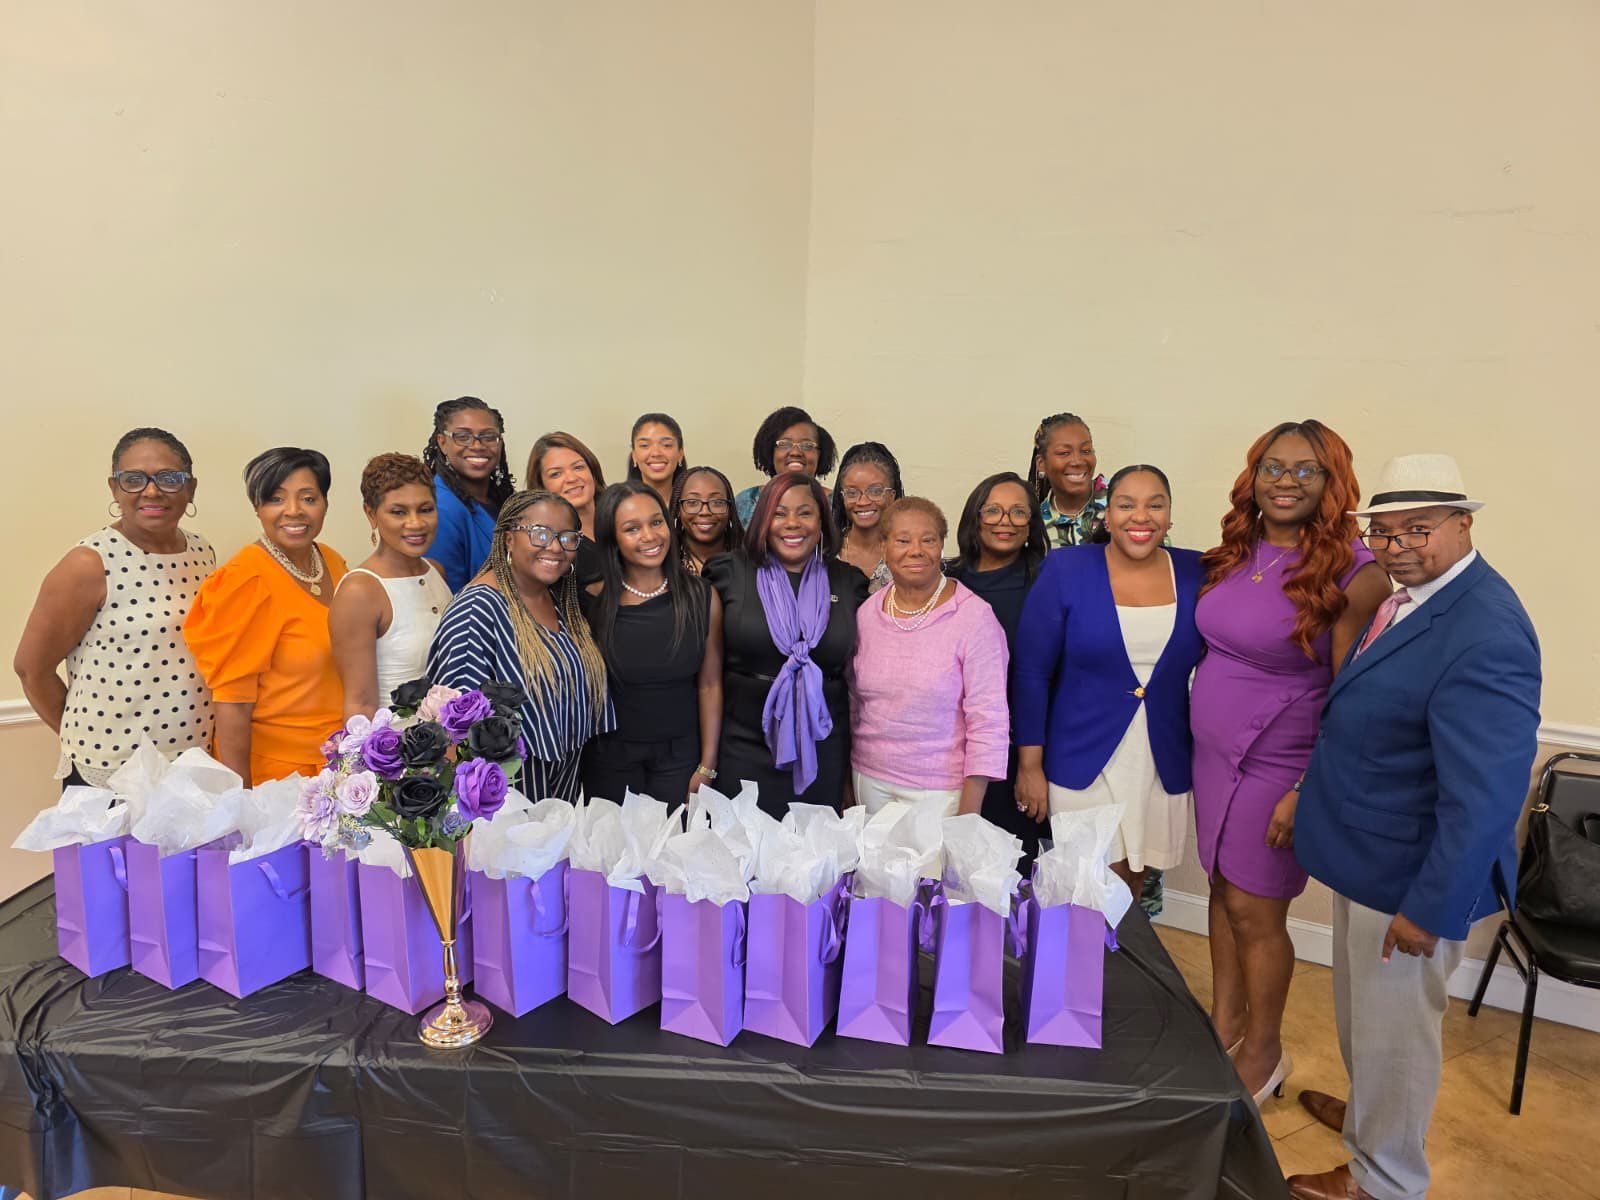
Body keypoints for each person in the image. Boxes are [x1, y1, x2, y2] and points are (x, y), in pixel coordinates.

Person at [1285, 454, 1540, 1200]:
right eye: (1385, 532)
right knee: (1368, 1021)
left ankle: (1383, 1178)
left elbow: (1485, 796)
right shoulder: (1413, 600)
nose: (1397, 546)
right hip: (1371, 855)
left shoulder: (1485, 628)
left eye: (1419, 529)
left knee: (1397, 1036)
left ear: (1464, 525)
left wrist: (1430, 907)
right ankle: (1372, 1120)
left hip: (1411, 877)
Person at [1191, 421, 1390, 1107]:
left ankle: (1265, 1051)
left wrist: (1307, 787)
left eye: (1307, 470)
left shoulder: (1354, 573)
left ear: (1332, 482)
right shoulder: (1237, 552)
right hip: (1215, 759)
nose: (1286, 481)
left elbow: (1352, 696)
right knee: (1220, 890)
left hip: (1283, 761)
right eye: (1274, 467)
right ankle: (1224, 1027)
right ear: (1254, 476)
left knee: (1257, 908)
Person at [1014, 465, 1204, 896]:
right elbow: (1031, 671)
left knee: (1133, 879)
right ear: (1106, 514)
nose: (1141, 516)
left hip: (1161, 755)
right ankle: (1077, 965)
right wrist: (1030, 764)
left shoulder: (1197, 571)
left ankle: (1114, 962)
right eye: (1126, 504)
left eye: (1155, 504)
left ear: (1170, 515)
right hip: (1082, 753)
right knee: (1084, 881)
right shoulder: (1067, 569)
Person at [14, 428, 216, 788]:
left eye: (169, 479)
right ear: (114, 488)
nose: (151, 491)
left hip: (192, 764)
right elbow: (32, 669)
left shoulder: (202, 553)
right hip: (111, 773)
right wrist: (88, 741)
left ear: (191, 488)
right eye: (133, 480)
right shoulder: (88, 563)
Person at [426, 490, 613, 802]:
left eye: (567, 537)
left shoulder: (557, 600)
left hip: (561, 793)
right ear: (509, 538)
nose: (555, 547)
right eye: (540, 534)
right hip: (507, 800)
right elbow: (454, 730)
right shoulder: (479, 607)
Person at [705, 472, 868, 818]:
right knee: (743, 860)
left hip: (823, 748)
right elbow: (708, 676)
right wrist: (706, 762)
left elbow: (858, 681)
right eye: (779, 513)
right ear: (763, 518)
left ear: (822, 520)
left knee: (812, 864)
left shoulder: (849, 582)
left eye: (805, 513)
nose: (792, 524)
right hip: (743, 747)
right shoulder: (727, 573)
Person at [185, 448, 348, 784]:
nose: (293, 511)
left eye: (308, 498)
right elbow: (232, 705)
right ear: (257, 508)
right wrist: (241, 800)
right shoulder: (245, 581)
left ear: (325, 504)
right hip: (277, 777)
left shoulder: (332, 562)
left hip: (338, 767)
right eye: (276, 499)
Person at [850, 497, 1009, 817]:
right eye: (902, 540)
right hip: (869, 781)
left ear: (941, 545)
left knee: (934, 870)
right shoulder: (867, 613)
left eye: (928, 540)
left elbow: (988, 719)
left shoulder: (975, 618)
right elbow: (855, 702)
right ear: (884, 546)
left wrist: (969, 812)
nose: (916, 550)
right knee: (870, 869)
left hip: (942, 791)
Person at [580, 481, 723, 808]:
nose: (649, 536)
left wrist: (708, 765)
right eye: (632, 528)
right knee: (612, 858)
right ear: (612, 538)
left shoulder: (701, 596)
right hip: (609, 761)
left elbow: (710, 684)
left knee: (674, 854)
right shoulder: (591, 601)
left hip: (680, 759)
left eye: (656, 522)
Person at [946, 471, 1049, 857]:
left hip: (1017, 754)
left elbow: (1038, 679)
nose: (1004, 522)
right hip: (951, 755)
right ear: (975, 516)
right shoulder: (946, 579)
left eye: (1018, 513)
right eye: (993, 510)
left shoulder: (1044, 581)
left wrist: (1030, 765)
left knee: (1009, 878)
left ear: (1031, 525)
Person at [329, 454, 452, 719]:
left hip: (450, 750)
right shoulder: (360, 591)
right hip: (395, 751)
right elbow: (359, 705)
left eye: (425, 509)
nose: (416, 523)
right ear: (371, 514)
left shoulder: (436, 571)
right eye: (398, 512)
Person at [422, 396, 516, 593]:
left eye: (488, 436)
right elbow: (448, 598)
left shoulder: (499, 499)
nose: (477, 445)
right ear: (442, 442)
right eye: (463, 436)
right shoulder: (440, 507)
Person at [732, 406, 838, 526]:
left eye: (807, 445)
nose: (795, 452)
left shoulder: (837, 504)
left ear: (820, 453)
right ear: (770, 451)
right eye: (784, 444)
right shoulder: (746, 502)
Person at [527, 431, 606, 588]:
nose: (571, 478)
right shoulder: (548, 544)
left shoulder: (621, 516)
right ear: (542, 486)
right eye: (556, 474)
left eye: (578, 467)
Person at [832, 441, 902, 593]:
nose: (863, 501)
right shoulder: (826, 552)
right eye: (852, 493)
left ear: (891, 496)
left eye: (876, 491)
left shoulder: (908, 552)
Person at [1030, 411, 1107, 549]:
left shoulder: (1121, 502)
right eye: (1064, 453)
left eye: (1086, 450)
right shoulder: (1034, 525)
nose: (1077, 461)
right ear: (1041, 463)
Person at [672, 464, 745, 575]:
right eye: (692, 502)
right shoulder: (665, 560)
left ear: (730, 509)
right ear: (678, 510)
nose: (705, 512)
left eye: (717, 503)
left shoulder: (749, 560)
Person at [626, 412, 687, 508]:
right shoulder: (620, 506)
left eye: (666, 445)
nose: (656, 453)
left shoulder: (693, 506)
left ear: (680, 453)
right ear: (634, 455)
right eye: (645, 445)